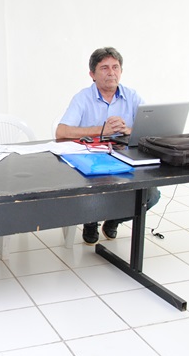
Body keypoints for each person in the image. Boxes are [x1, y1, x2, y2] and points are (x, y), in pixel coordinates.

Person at [56, 47, 160, 245]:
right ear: (92, 74)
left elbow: (150, 129)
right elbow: (61, 132)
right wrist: (101, 130)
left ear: (121, 71)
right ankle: (91, 221)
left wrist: (127, 130)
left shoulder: (132, 96)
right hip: (91, 160)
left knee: (152, 195)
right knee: (95, 191)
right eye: (104, 68)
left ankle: (114, 220)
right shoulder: (82, 98)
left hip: (125, 159)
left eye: (115, 67)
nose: (111, 72)